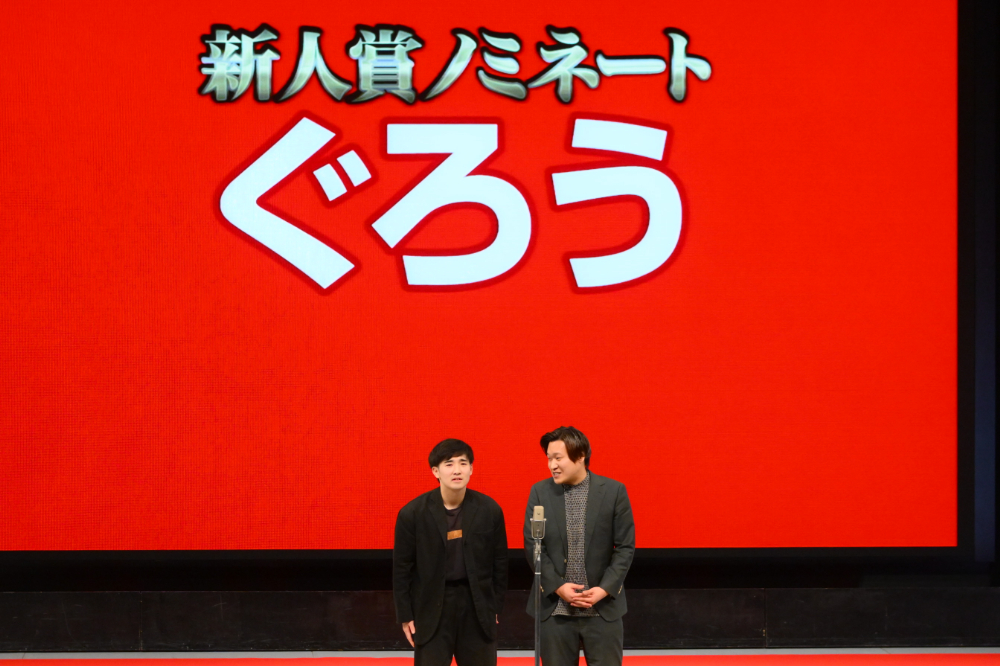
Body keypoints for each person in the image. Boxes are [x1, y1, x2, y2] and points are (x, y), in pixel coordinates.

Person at [523, 426, 635, 666]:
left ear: (581, 455)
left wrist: (603, 589)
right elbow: (534, 545)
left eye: (558, 458)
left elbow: (625, 547)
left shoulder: (613, 491)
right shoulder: (540, 492)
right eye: (549, 459)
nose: (552, 465)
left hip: (603, 609)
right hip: (555, 610)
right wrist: (558, 586)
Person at [394, 438, 508, 666]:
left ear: (471, 469)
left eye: (463, 463)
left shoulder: (490, 509)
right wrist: (405, 615)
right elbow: (402, 569)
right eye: (449, 464)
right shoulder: (412, 513)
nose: (457, 470)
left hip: (476, 605)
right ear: (435, 471)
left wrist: (494, 606)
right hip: (432, 606)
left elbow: (500, 563)